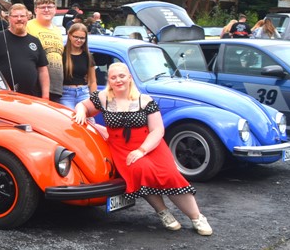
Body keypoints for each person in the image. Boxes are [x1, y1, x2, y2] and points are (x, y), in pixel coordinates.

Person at [72, 62, 212, 235]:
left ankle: (197, 217)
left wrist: (142, 150)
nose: (118, 80)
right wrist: (80, 112)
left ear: (129, 78)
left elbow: (158, 130)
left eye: (122, 76)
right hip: (121, 148)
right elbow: (83, 106)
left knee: (170, 175)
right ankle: (163, 212)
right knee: (140, 170)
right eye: (113, 77)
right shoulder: (103, 98)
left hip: (149, 145)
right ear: (109, 80)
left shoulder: (145, 100)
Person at [0, 4, 49, 99]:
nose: (19, 19)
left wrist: (45, 96)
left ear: (27, 18)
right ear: (9, 18)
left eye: (22, 16)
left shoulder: (35, 41)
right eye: (15, 16)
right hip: (3, 97)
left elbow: (43, 70)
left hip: (31, 98)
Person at [26, 0, 65, 104]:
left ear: (55, 9)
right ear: (35, 10)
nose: (46, 10)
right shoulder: (28, 26)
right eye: (42, 7)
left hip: (56, 86)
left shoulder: (57, 30)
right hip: (36, 86)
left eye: (50, 7)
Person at [60, 23, 97, 109]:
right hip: (66, 94)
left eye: (82, 38)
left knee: (89, 120)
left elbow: (93, 81)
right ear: (69, 36)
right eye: (76, 37)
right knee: (70, 119)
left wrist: (94, 100)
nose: (79, 40)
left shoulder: (88, 56)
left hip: (83, 93)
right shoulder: (61, 54)